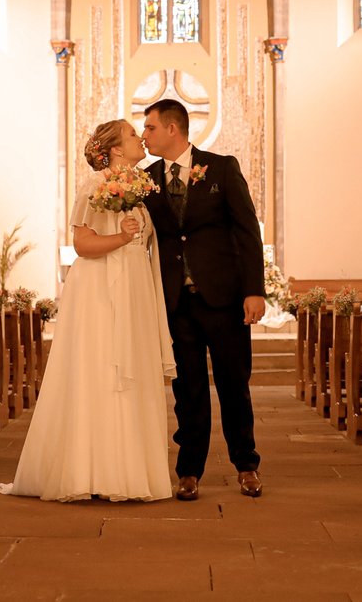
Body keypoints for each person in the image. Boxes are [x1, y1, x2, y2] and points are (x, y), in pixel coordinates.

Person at [0, 119, 176, 502]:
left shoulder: (140, 189)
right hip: (99, 288)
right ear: (113, 149)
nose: (139, 138)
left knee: (131, 370)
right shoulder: (94, 187)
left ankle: (128, 470)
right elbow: (82, 244)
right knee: (101, 368)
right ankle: (90, 470)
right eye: (131, 135)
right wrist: (122, 237)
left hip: (134, 285)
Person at [139, 98, 265, 501]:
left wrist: (254, 290)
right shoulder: (145, 180)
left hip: (224, 299)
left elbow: (247, 232)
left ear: (172, 129)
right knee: (187, 390)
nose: (145, 136)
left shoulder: (222, 167)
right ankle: (189, 471)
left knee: (233, 385)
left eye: (150, 128)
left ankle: (246, 465)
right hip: (176, 302)